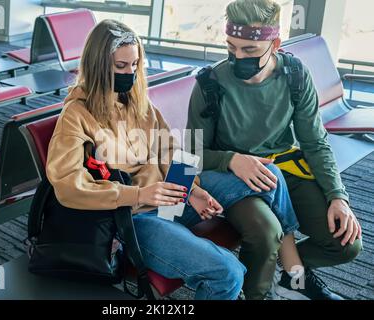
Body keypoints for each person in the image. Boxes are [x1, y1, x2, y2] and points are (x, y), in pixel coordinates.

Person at [45, 19, 247, 300]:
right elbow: (68, 186)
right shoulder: (76, 116)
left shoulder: (138, 105)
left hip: (166, 200)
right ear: (99, 66)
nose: (130, 73)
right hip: (133, 218)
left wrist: (191, 190)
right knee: (228, 273)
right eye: (121, 66)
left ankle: (282, 258)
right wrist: (137, 193)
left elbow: (171, 152)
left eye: (135, 64)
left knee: (259, 181)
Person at [187, 0, 362, 300]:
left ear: (275, 44)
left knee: (345, 242)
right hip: (235, 179)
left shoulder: (295, 76)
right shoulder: (211, 83)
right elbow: (189, 153)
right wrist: (232, 160)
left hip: (285, 170)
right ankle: (256, 291)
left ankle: (291, 278)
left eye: (250, 50)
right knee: (267, 235)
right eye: (231, 47)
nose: (237, 57)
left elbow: (315, 142)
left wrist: (337, 196)